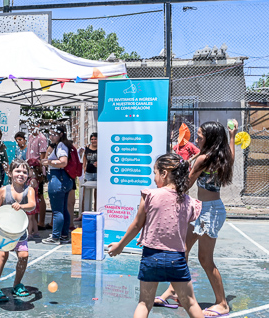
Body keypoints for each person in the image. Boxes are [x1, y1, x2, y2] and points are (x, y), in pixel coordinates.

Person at [157, 121, 237, 317]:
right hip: (205, 209)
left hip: (210, 212)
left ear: (209, 138)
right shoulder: (223, 156)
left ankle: (222, 303)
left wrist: (166, 185)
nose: (197, 137)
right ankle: (174, 290)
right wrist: (232, 135)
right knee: (182, 249)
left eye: (200, 134)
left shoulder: (204, 158)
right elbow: (232, 153)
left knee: (205, 259)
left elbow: (187, 184)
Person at [108, 153, 203, 318]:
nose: (154, 178)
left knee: (144, 303)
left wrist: (120, 245)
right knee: (190, 302)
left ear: (164, 173)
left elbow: (137, 224)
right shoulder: (189, 201)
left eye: (155, 173)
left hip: (151, 257)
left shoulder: (150, 195)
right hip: (177, 259)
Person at [0, 159, 36, 302]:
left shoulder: (29, 190)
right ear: (10, 173)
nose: (21, 174)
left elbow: (32, 205)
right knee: (3, 256)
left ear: (28, 175)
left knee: (24, 255)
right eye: (18, 171)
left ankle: (17, 284)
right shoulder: (4, 190)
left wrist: (22, 206)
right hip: (4, 232)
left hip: (20, 231)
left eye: (24, 172)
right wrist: (4, 213)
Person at [41, 125, 73, 245]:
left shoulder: (61, 146)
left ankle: (55, 237)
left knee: (57, 211)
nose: (51, 136)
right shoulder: (62, 145)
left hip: (57, 179)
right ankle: (64, 235)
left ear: (61, 134)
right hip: (64, 179)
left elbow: (63, 162)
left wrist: (48, 162)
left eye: (54, 133)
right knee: (63, 210)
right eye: (50, 134)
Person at [26, 122, 48, 229]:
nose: (30, 128)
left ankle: (41, 221)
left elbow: (42, 157)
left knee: (39, 195)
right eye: (29, 126)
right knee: (31, 194)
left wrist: (38, 171)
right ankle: (33, 220)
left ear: (38, 126)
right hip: (29, 169)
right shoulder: (30, 137)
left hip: (38, 169)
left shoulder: (42, 138)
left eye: (32, 125)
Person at [76, 132, 98, 221]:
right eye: (92, 139)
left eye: (95, 139)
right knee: (85, 194)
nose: (93, 141)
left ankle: (96, 214)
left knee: (97, 195)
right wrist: (84, 167)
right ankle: (82, 215)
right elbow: (85, 157)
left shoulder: (101, 148)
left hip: (97, 173)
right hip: (88, 173)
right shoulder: (87, 148)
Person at [26, 158, 42, 239]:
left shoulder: (32, 181)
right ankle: (36, 232)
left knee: (30, 218)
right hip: (35, 200)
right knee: (33, 218)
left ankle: (29, 233)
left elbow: (29, 189)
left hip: (31, 200)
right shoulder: (35, 179)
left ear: (32, 170)